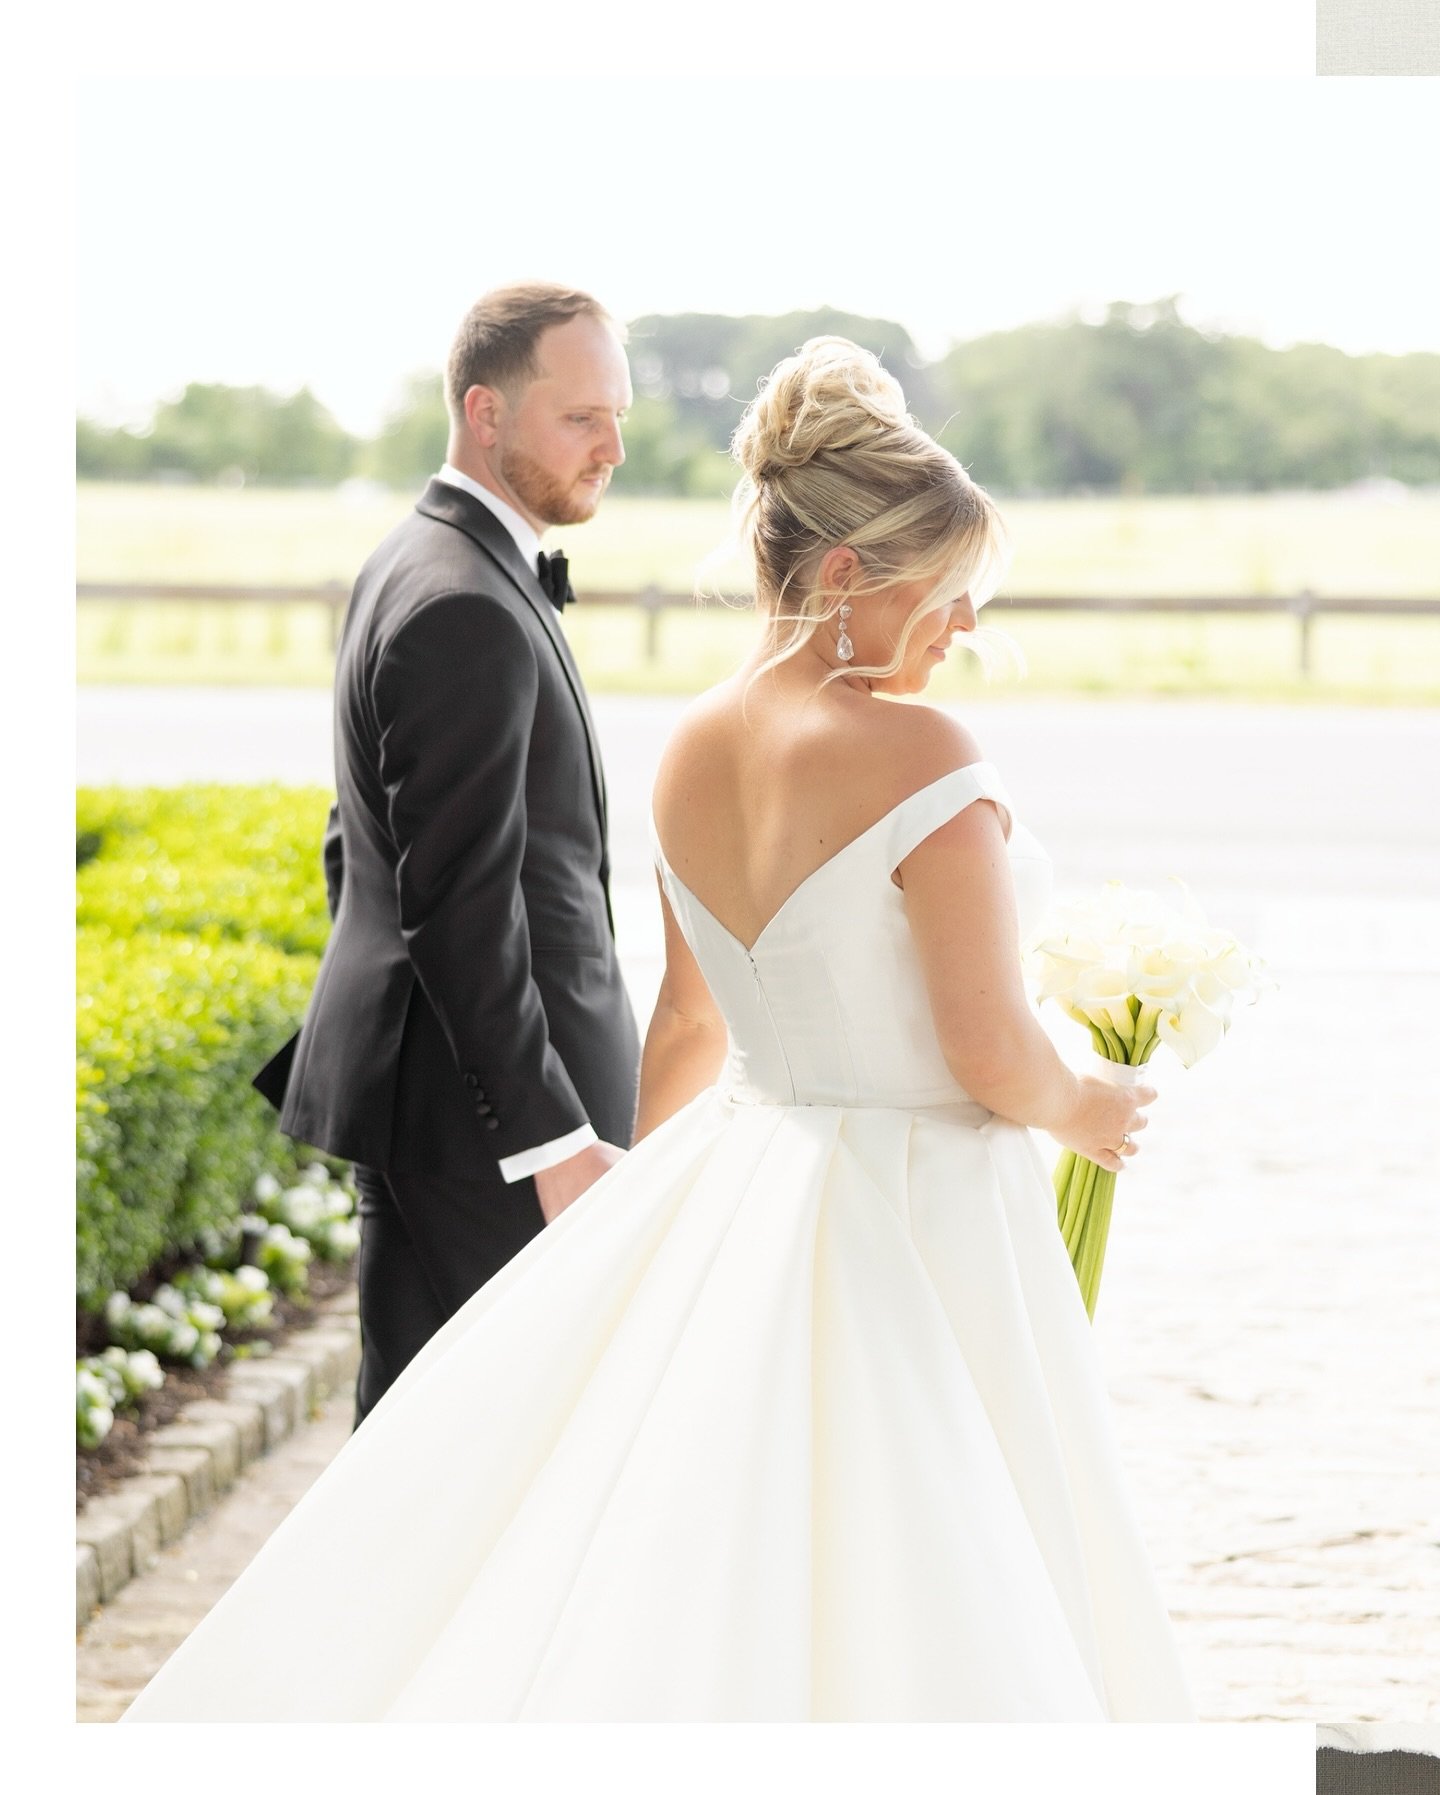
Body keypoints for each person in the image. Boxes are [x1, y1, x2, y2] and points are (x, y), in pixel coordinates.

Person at [125, 336, 1193, 1722]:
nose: (968, 627)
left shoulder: (694, 741)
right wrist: (1092, 1106)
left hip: (747, 1179)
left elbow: (689, 1010)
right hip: (917, 1215)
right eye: (950, 593)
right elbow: (987, 1046)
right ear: (846, 576)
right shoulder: (925, 755)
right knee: (945, 1549)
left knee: (717, 1554)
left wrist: (650, 1221)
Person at [253, 283, 641, 1423]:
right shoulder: (459, 601)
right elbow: (459, 911)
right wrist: (551, 1141)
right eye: (582, 418)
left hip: (448, 1108)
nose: (614, 446)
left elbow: (357, 846)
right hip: (493, 1137)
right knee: (490, 1457)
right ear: (485, 410)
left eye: (617, 415)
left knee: (424, 1454)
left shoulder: (418, 559)